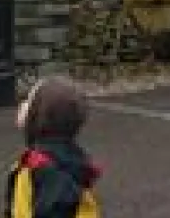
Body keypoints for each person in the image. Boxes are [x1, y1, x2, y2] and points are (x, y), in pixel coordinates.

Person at [7, 76, 102, 218]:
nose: (23, 104)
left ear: (39, 114)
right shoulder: (73, 161)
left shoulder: (43, 170)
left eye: (29, 100)